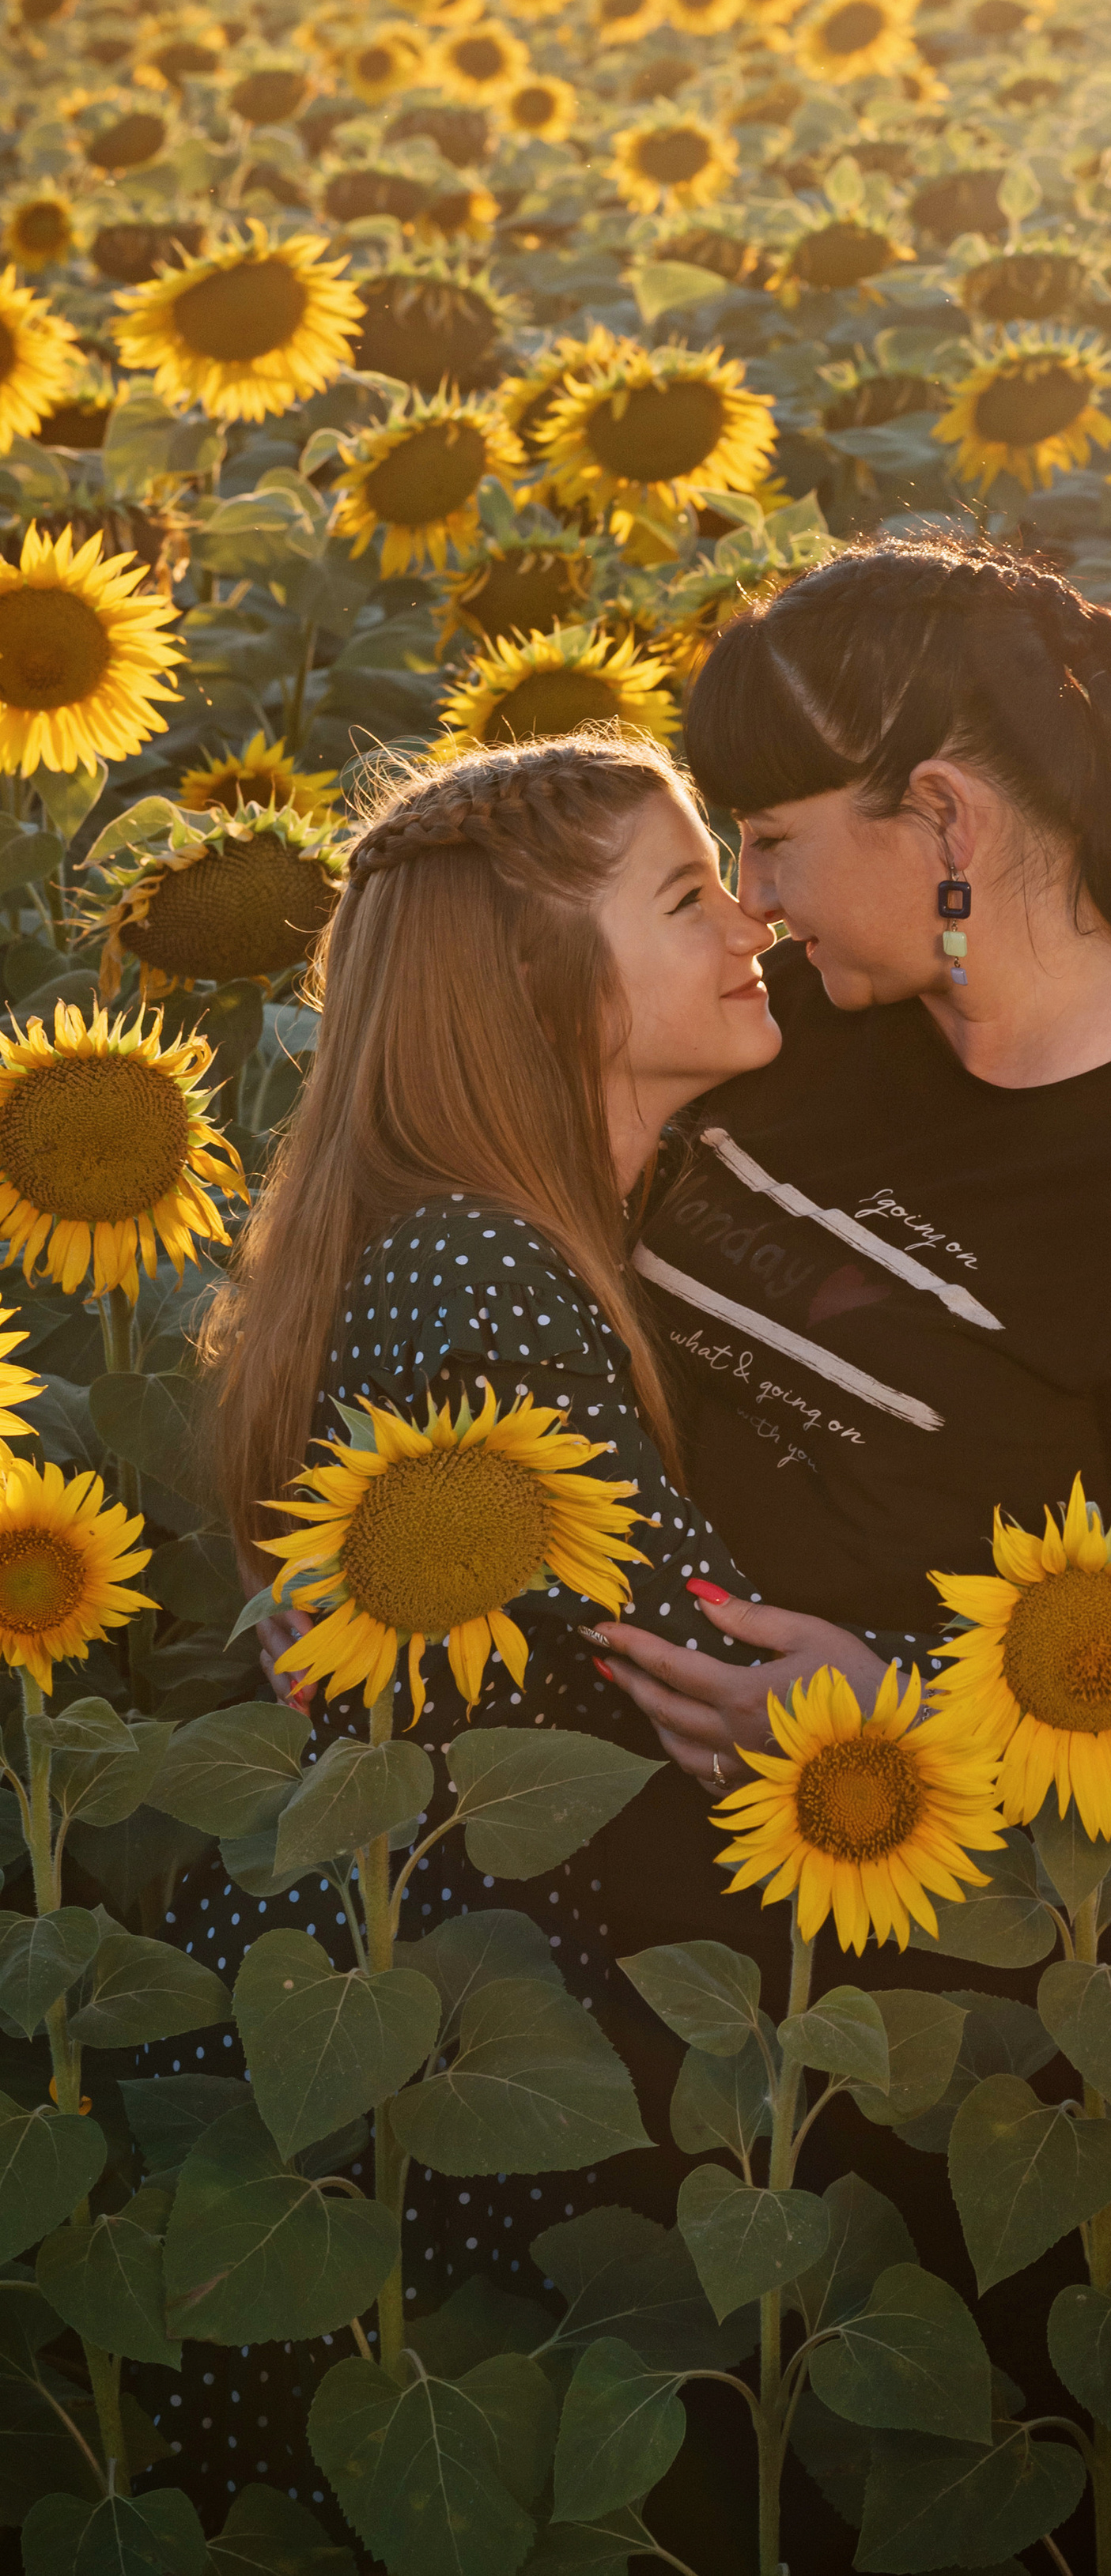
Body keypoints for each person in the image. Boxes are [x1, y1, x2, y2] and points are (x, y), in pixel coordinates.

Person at [592, 538, 1111, 2474]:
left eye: (768, 839)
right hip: (655, 1925)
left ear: (936, 814)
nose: (750, 901)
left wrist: (890, 1721)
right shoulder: (820, 1042)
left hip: (972, 2008)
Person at [140, 729, 798, 2507]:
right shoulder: (479, 1262)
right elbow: (693, 1657)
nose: (752, 919)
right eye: (685, 895)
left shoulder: (504, 1235)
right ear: (538, 984)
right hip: (435, 2030)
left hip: (453, 1991)